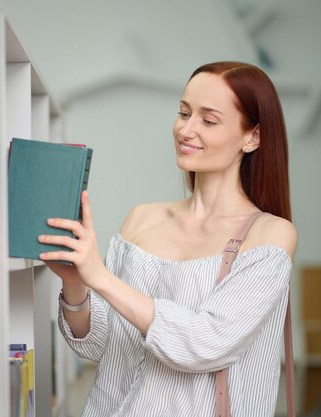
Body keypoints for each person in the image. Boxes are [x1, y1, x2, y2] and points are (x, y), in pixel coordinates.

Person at [37, 61, 297, 417]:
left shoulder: (270, 235)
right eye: (183, 113)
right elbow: (97, 344)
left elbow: (205, 343)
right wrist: (76, 284)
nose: (186, 130)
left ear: (252, 137)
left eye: (208, 120)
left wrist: (100, 277)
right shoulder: (142, 218)